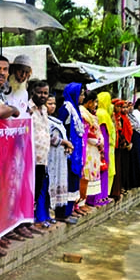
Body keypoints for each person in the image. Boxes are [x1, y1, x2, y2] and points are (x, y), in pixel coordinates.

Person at [57, 83, 87, 217]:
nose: (83, 97)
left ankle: (70, 211)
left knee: (73, 180)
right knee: (67, 181)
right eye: (81, 94)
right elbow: (60, 127)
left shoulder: (76, 109)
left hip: (75, 152)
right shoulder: (66, 109)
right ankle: (63, 213)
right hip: (67, 152)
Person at [46, 93, 76, 224]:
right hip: (51, 156)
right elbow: (48, 136)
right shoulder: (41, 119)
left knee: (61, 181)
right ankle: (51, 213)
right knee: (51, 182)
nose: (52, 106)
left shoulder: (55, 119)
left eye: (53, 104)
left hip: (61, 156)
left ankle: (61, 213)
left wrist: (68, 146)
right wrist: (65, 143)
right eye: (49, 104)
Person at [28, 80, 53, 229]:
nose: (43, 96)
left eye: (45, 93)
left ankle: (33, 219)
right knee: (28, 191)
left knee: (37, 191)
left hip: (42, 159)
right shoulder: (27, 109)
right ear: (33, 93)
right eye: (40, 92)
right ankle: (25, 222)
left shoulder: (44, 109)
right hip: (30, 159)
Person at [78, 91, 102, 210]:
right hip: (87, 148)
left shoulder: (89, 113)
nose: (96, 104)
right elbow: (87, 133)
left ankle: (84, 201)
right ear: (90, 102)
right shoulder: (83, 113)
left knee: (88, 175)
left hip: (93, 149)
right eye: (95, 102)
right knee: (84, 175)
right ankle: (80, 203)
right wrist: (98, 142)